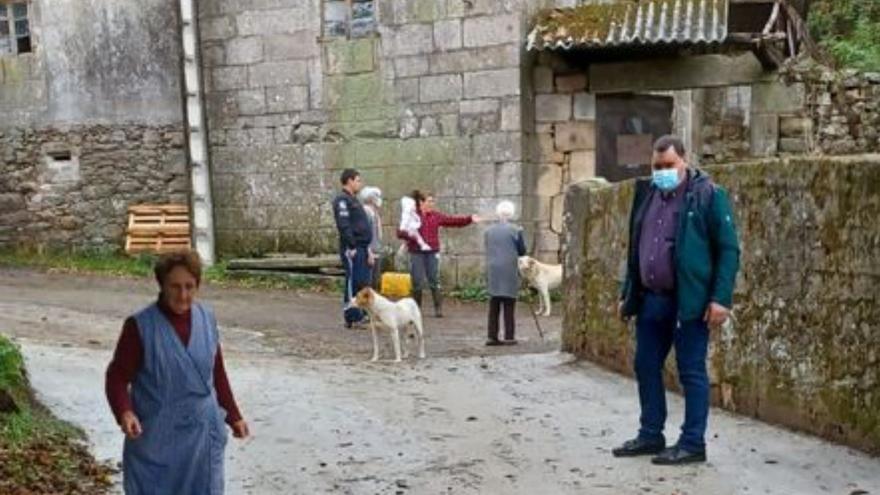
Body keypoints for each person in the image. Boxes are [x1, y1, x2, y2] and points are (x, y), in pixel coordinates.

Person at [613, 135, 740, 465]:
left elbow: (728, 249)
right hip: (651, 299)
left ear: (684, 160)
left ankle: (693, 442)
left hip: (689, 302)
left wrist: (720, 298)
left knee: (691, 372)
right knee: (645, 365)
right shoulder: (647, 194)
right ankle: (651, 434)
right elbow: (636, 248)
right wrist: (628, 293)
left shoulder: (708, 195)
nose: (662, 172)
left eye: (669, 165)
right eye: (657, 167)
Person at [105, 251, 249, 494]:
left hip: (203, 436)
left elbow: (216, 371)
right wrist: (125, 412)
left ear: (198, 286)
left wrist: (234, 416)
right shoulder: (140, 326)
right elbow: (117, 377)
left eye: (189, 287)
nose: (183, 295)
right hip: (159, 440)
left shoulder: (206, 319)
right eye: (175, 287)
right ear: (162, 285)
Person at [397, 190, 479, 317]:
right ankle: (416, 310)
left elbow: (453, 221)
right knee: (417, 281)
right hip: (416, 252)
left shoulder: (436, 216)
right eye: (429, 201)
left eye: (433, 201)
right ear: (421, 202)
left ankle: (438, 309)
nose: (432, 204)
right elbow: (400, 232)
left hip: (432, 252)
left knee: (434, 280)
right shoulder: (412, 215)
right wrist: (410, 237)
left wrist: (469, 219)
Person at [332, 168, 373, 328]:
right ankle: (352, 316)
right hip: (352, 248)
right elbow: (344, 225)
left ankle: (361, 314)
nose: (360, 184)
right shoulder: (342, 200)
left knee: (362, 281)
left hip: (362, 247)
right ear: (349, 181)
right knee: (353, 281)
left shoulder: (353, 199)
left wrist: (367, 248)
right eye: (358, 180)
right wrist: (352, 245)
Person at [484, 200, 526, 346]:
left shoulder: (488, 231)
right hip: (509, 267)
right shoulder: (516, 230)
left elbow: (487, 247)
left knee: (494, 303)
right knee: (509, 302)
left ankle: (492, 336)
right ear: (511, 213)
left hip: (493, 268)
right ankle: (509, 336)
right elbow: (522, 251)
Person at [359, 186, 385, 291]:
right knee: (368, 283)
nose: (379, 199)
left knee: (375, 282)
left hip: (376, 250)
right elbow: (364, 234)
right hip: (369, 252)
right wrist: (368, 252)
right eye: (376, 196)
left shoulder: (375, 214)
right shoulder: (366, 212)